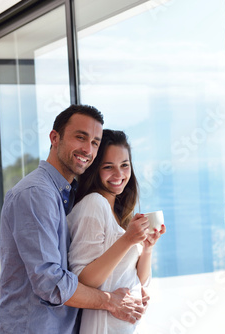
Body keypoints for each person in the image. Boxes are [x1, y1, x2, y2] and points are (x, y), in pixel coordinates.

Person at [0, 105, 146, 334]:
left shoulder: (66, 194)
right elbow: (51, 283)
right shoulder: (36, 193)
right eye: (80, 137)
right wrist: (110, 300)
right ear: (55, 138)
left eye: (95, 142)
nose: (88, 149)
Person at [67, 129, 165, 334]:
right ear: (94, 169)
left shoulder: (118, 213)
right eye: (108, 167)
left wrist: (147, 249)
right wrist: (128, 240)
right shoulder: (94, 204)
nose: (119, 175)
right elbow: (84, 280)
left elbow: (140, 280)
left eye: (124, 165)